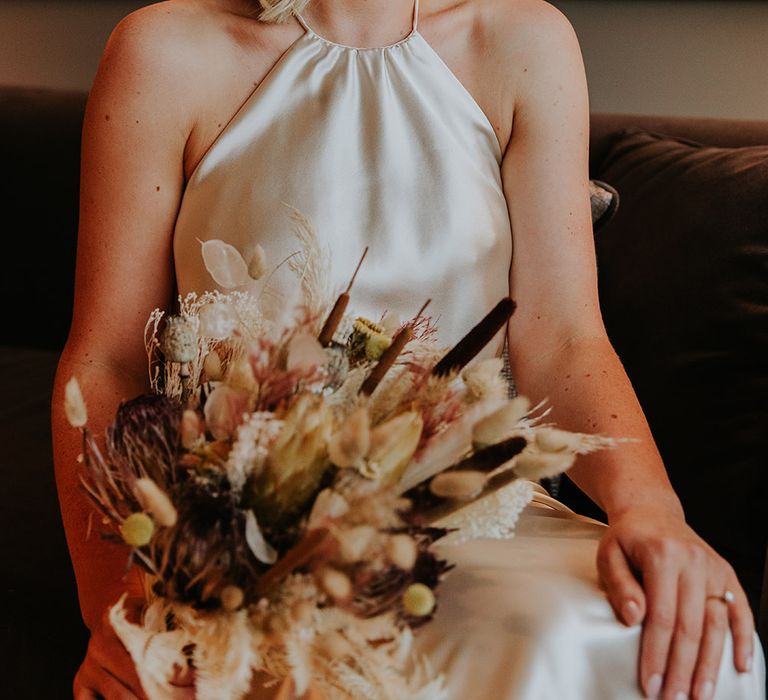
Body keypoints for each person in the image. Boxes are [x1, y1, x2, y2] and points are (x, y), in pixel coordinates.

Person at [51, 0, 765, 698]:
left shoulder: (526, 43)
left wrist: (651, 510)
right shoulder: (163, 50)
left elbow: (566, 338)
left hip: (472, 521)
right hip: (242, 551)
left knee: (657, 643)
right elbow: (106, 362)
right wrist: (117, 608)